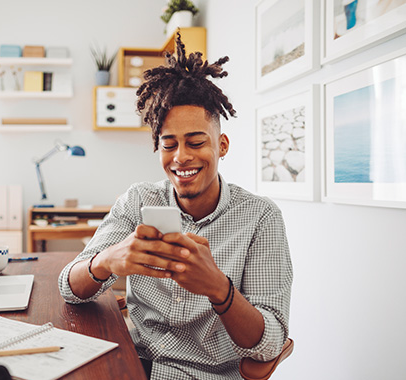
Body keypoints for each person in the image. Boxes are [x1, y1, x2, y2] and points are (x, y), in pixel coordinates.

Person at [58, 33, 293, 380]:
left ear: (222, 145)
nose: (181, 157)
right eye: (169, 145)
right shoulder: (138, 200)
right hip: (132, 366)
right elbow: (68, 287)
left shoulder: (260, 218)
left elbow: (270, 343)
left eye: (196, 142)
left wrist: (218, 288)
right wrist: (107, 261)